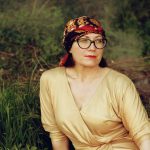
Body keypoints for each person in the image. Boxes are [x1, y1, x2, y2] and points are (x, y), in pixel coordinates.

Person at [40, 16, 150, 150]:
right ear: (69, 47)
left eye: (99, 41)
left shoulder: (119, 83)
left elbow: (143, 133)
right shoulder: (50, 79)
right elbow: (57, 134)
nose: (93, 48)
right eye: (84, 41)